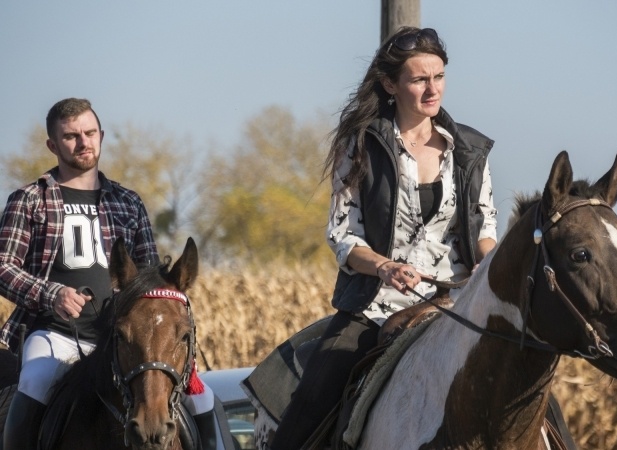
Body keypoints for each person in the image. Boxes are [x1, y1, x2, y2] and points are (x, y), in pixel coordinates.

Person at [270, 27, 498, 449]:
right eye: (419, 79)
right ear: (391, 84)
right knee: (310, 406)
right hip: (376, 305)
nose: (433, 89)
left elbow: (484, 227)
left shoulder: (470, 151)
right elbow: (343, 236)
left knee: (534, 391)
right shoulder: (360, 145)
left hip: (458, 302)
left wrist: (490, 262)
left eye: (439, 77)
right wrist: (386, 266)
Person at [0, 98, 220, 449]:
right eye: (71, 136)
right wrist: (50, 294)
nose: (83, 142)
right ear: (52, 145)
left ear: (101, 135)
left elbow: (151, 277)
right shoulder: (29, 200)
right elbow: (3, 266)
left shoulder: (128, 202)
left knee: (203, 399)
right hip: (54, 336)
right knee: (35, 385)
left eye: (89, 133)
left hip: (125, 341)